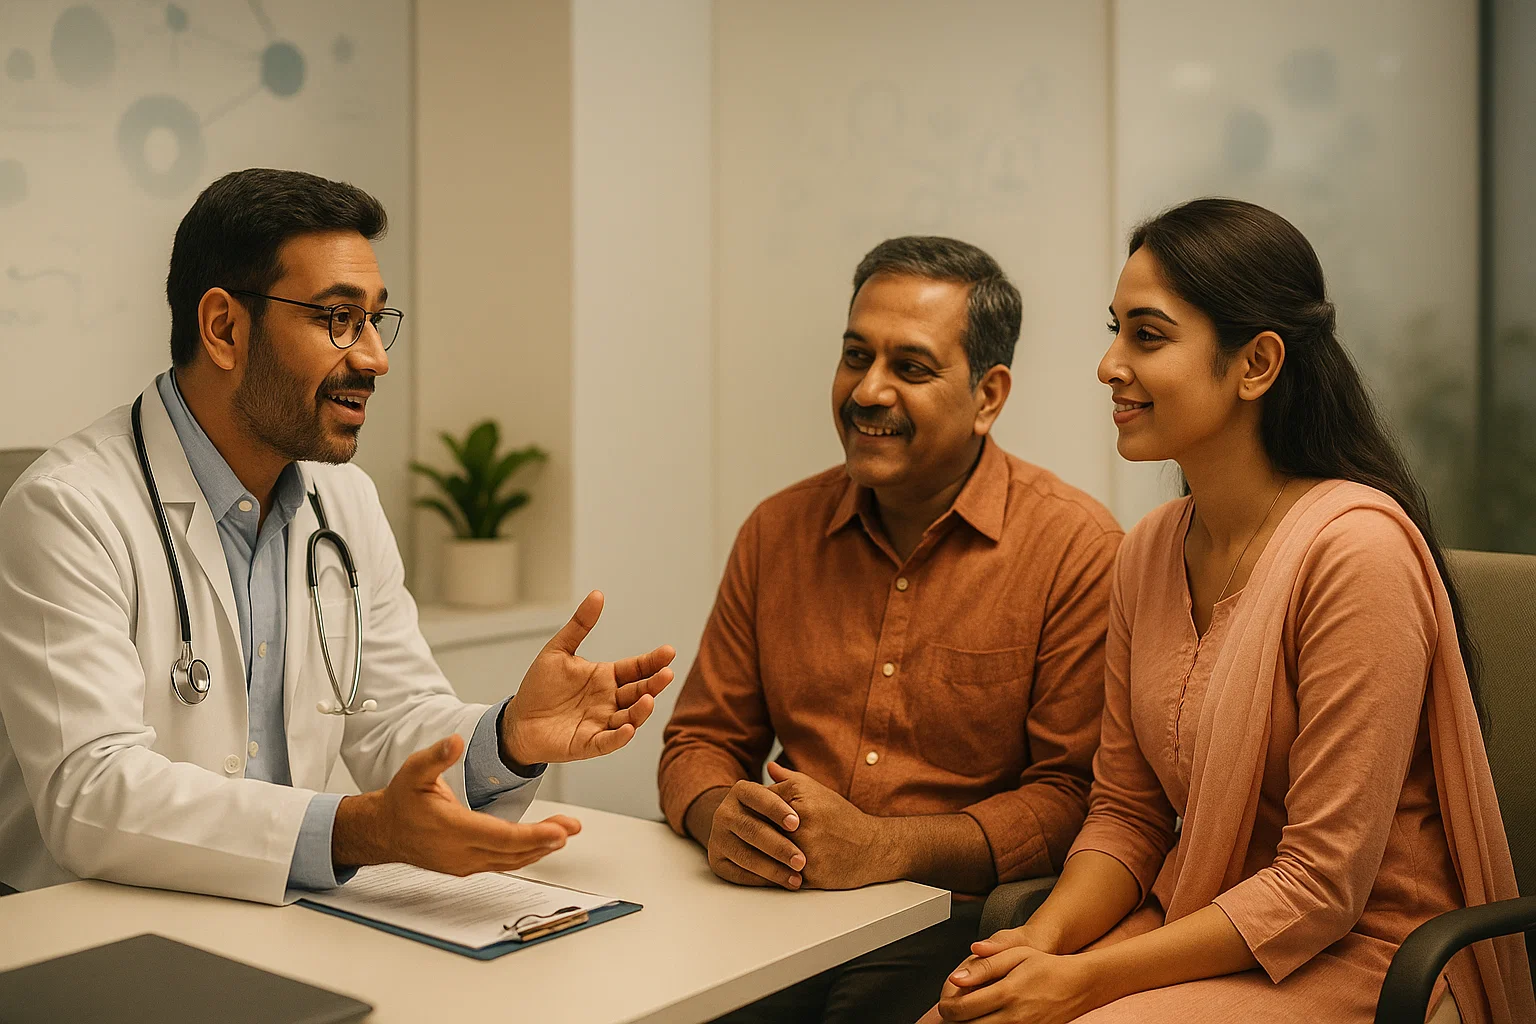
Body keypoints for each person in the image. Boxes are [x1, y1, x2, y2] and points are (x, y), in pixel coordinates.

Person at [927, 198, 1535, 1023]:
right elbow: (1127, 816)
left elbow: (1321, 889)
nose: (1109, 364)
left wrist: (1087, 981)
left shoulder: (1358, 554)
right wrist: (1043, 943)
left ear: (1256, 364)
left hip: (1365, 955)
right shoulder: (1145, 549)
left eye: (1147, 335)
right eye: (1115, 330)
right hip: (1196, 924)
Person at [0, 168, 676, 904]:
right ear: (224, 328)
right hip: (87, 934)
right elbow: (91, 796)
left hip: (281, 919)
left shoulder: (343, 501)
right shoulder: (68, 508)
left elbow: (390, 721)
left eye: (376, 321)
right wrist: (358, 830)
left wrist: (509, 736)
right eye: (336, 319)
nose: (375, 358)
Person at [659, 236, 1121, 1023]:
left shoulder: (1077, 549)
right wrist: (718, 816)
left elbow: (1071, 797)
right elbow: (699, 740)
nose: (867, 392)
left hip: (955, 922)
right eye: (853, 356)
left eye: (909, 368)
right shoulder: (777, 532)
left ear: (988, 395)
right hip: (773, 906)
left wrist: (886, 847)